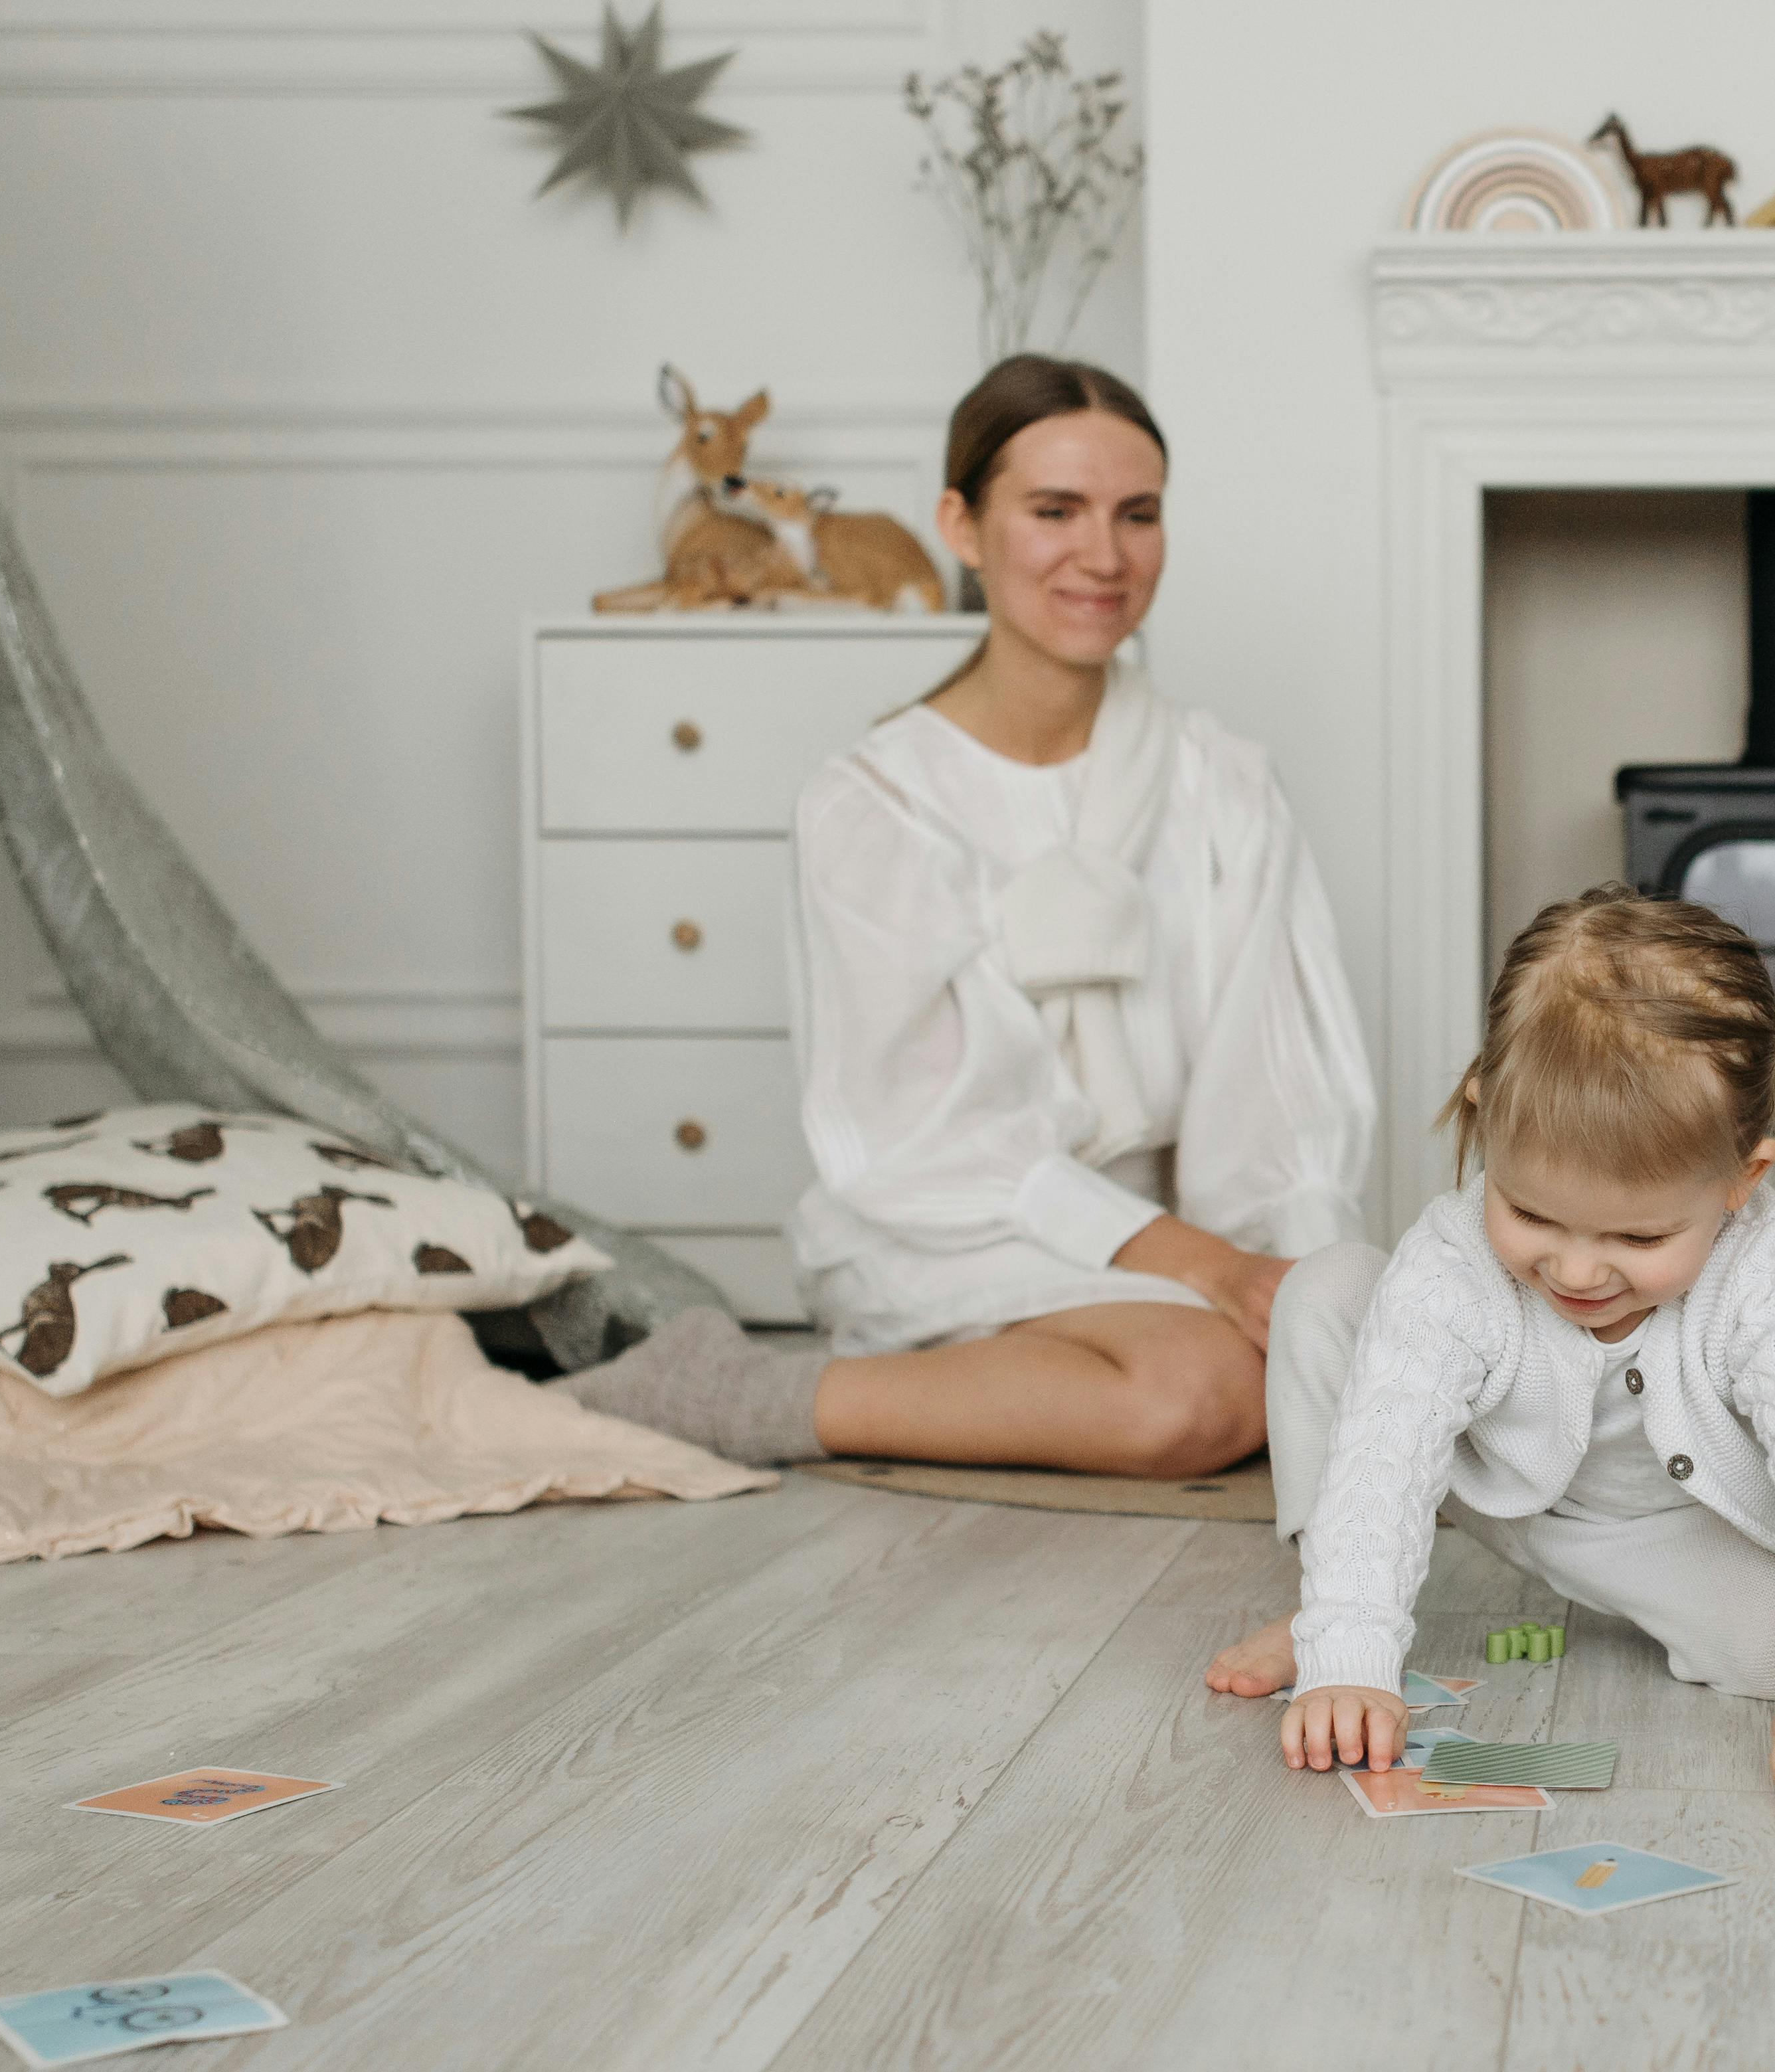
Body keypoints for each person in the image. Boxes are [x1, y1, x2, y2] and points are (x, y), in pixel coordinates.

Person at [560, 356, 1376, 1474]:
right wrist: (1204, 1273)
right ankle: (749, 1388)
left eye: (1137, 515)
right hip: (953, 1222)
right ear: (961, 523)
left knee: (1360, 1346)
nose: (1104, 555)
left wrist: (1299, 1282)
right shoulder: (872, 806)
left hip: (1178, 1248)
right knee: (1198, 1397)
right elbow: (923, 1144)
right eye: (1054, 512)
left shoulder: (1223, 783)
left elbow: (1275, 1088)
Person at [1207, 886, 1775, 1821]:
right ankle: (1327, 1604)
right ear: (1485, 1119)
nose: (1576, 1267)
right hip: (1492, 1480)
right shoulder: (1451, 1258)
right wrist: (1349, 1658)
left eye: (1636, 1240)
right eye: (1529, 1213)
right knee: (1325, 1291)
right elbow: (1387, 1447)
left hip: (1665, 1535)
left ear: (1740, 1179)